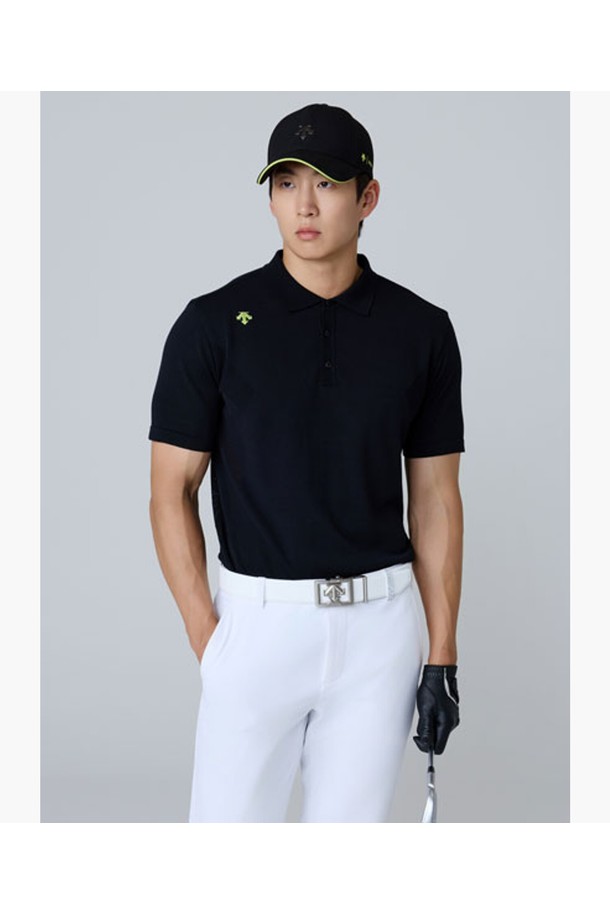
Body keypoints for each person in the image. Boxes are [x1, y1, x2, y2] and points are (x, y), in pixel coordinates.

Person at [148, 102, 464, 823]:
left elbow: (436, 497)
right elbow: (171, 491)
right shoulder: (212, 324)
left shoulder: (421, 330)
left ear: (367, 196)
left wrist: (441, 653)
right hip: (257, 625)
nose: (305, 205)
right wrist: (210, 640)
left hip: (381, 631)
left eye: (325, 182)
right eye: (287, 183)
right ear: (270, 196)